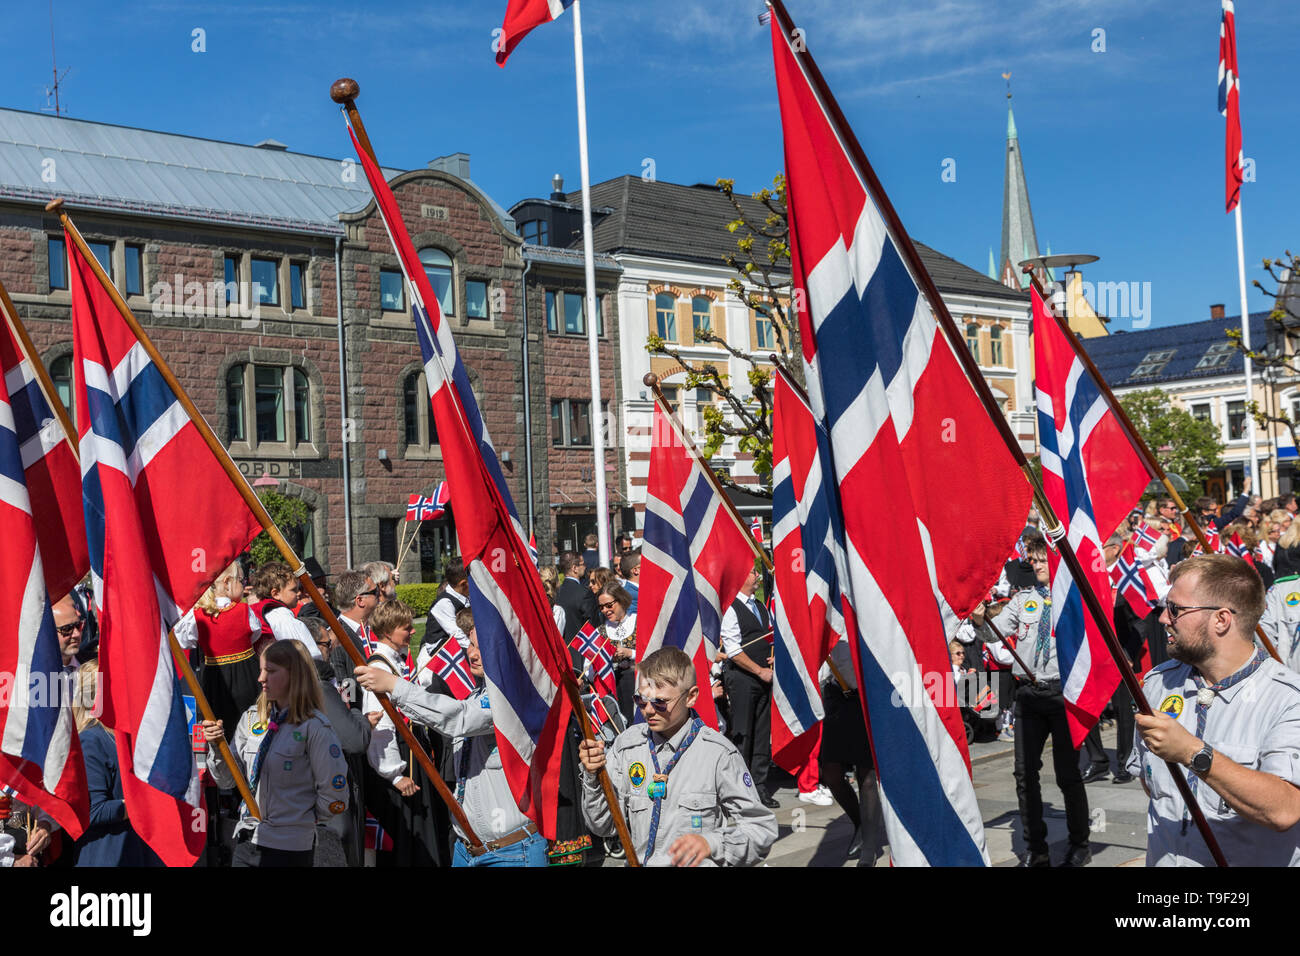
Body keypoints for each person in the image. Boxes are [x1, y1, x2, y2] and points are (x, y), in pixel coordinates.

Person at [1129, 553, 1300, 866]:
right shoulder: (1157, 684)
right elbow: (1150, 785)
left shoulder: (1288, 698)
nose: (1164, 619)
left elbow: (1285, 809)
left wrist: (1193, 752)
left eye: (1176, 609)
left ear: (1222, 619)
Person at [354, 619, 551, 867]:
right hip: (467, 849)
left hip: (512, 851)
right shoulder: (476, 694)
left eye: (483, 647)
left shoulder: (513, 698)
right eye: (470, 644)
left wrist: (395, 686)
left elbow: (460, 717)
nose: (473, 653)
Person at [576, 646, 778, 866]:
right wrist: (593, 776)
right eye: (641, 700)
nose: (649, 711)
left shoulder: (718, 754)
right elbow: (603, 825)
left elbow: (760, 829)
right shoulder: (627, 745)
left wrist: (713, 843)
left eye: (660, 702)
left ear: (691, 697)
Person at [971, 539, 1092, 867]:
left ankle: (1080, 841)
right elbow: (994, 635)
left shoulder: (1073, 599)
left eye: (1041, 560)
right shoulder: (1024, 599)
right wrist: (981, 619)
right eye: (1033, 561)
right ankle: (1036, 847)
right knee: (1025, 774)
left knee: (1068, 774)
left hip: (1062, 695)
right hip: (1029, 694)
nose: (1036, 566)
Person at [201, 640, 350, 867]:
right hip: (247, 839)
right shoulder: (252, 719)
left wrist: (299, 818)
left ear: (294, 675)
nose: (260, 678)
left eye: (270, 671)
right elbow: (227, 780)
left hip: (289, 848)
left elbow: (334, 794)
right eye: (261, 670)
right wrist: (216, 746)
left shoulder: (314, 728)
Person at [360, 599, 449, 866]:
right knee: (410, 840)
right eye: (406, 628)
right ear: (388, 631)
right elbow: (381, 726)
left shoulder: (394, 661)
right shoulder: (380, 668)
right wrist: (394, 774)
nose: (412, 632)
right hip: (401, 762)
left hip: (411, 752)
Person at [69, 661, 164, 867]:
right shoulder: (91, 740)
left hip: (139, 851)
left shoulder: (123, 735)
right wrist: (147, 804)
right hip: (108, 856)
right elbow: (93, 811)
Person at [299, 618, 372, 867]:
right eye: (326, 644)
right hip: (330, 802)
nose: (331, 649)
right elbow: (354, 740)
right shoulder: (319, 687)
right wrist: (359, 716)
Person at [719, 566, 779, 809]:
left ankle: (760, 786)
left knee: (763, 733)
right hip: (743, 680)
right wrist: (759, 671)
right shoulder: (732, 609)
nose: (756, 574)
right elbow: (733, 650)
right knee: (744, 733)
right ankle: (742, 790)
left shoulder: (761, 605)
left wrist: (774, 659)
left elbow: (770, 635)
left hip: (765, 679)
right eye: (752, 571)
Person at [186, 562, 261, 737]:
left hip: (214, 680)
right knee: (251, 726)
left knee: (219, 730)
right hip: (247, 676)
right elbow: (255, 634)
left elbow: (184, 641)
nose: (243, 585)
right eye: (241, 580)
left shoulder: (197, 615)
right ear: (227, 582)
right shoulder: (244, 611)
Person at [250, 562, 319, 660]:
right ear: (276, 593)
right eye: (293, 590)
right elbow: (308, 654)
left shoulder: (258, 611)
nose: (298, 593)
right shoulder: (283, 617)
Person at [417, 558, 470, 684]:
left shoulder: (466, 597)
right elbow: (457, 635)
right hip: (438, 657)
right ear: (463, 584)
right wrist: (478, 649)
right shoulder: (444, 602)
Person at [328, 570, 381, 694]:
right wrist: (358, 713)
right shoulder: (337, 637)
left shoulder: (373, 628)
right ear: (360, 600)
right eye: (375, 592)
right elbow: (345, 684)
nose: (380, 595)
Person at [598, 583, 637, 721]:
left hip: (639, 684)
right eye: (601, 607)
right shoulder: (600, 632)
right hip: (615, 688)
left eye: (609, 605)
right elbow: (590, 666)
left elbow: (652, 653)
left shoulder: (638, 620)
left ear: (621, 600)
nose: (605, 610)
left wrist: (630, 653)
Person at [556, 551, 599, 639]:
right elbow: (592, 625)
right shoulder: (585, 593)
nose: (585, 567)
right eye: (582, 564)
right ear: (575, 568)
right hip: (580, 648)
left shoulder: (556, 593)